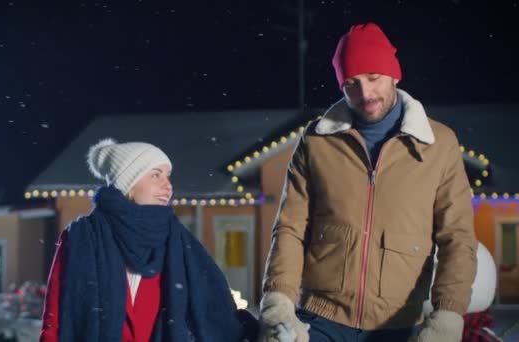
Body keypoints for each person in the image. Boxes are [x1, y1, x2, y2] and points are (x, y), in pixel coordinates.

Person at [259, 22, 478, 342]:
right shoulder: (317, 142)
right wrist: (279, 301)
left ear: (394, 75)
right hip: (320, 317)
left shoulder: (438, 144)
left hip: (398, 323)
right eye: (352, 83)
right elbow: (290, 228)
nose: (365, 94)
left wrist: (446, 316)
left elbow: (457, 237)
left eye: (374, 78)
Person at [40, 138, 257, 341]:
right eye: (156, 175)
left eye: (168, 176)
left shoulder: (177, 242)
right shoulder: (81, 237)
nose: (168, 186)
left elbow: (214, 310)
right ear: (129, 184)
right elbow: (54, 319)